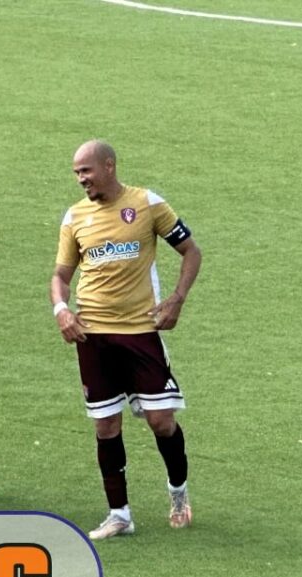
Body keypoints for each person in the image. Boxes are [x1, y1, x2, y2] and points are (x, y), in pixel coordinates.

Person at [50, 140, 203, 540]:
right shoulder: (75, 217)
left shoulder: (147, 204)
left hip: (140, 331)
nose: (81, 179)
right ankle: (119, 514)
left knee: (161, 421)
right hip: (93, 335)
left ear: (109, 166)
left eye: (86, 171)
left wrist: (177, 299)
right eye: (76, 173)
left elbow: (191, 251)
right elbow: (61, 276)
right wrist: (61, 309)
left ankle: (178, 492)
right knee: (105, 425)